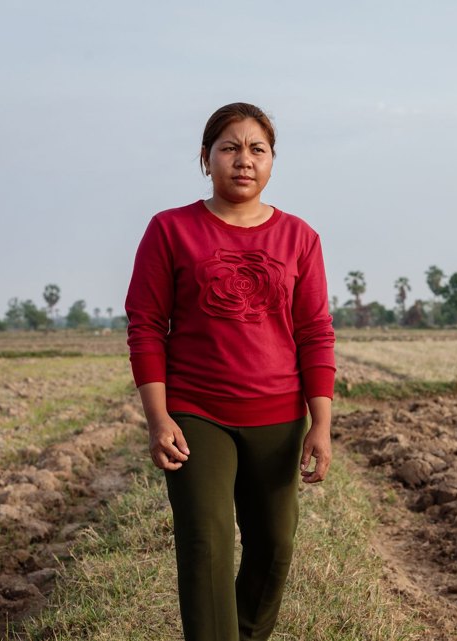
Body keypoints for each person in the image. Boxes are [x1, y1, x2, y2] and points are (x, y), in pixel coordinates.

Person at [124, 102, 336, 641]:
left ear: (272, 163)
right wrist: (158, 418)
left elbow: (314, 333)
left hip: (279, 416)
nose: (244, 160)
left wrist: (322, 423)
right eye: (229, 147)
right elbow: (146, 325)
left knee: (275, 546)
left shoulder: (300, 238)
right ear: (205, 158)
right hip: (197, 413)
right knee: (206, 542)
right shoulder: (170, 230)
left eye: (257, 149)